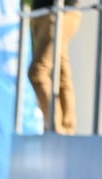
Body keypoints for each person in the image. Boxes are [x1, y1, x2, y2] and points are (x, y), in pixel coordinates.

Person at [27, 0, 82, 135]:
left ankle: (57, 128)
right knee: (61, 73)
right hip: (43, 14)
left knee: (37, 72)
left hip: (59, 11)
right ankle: (66, 129)